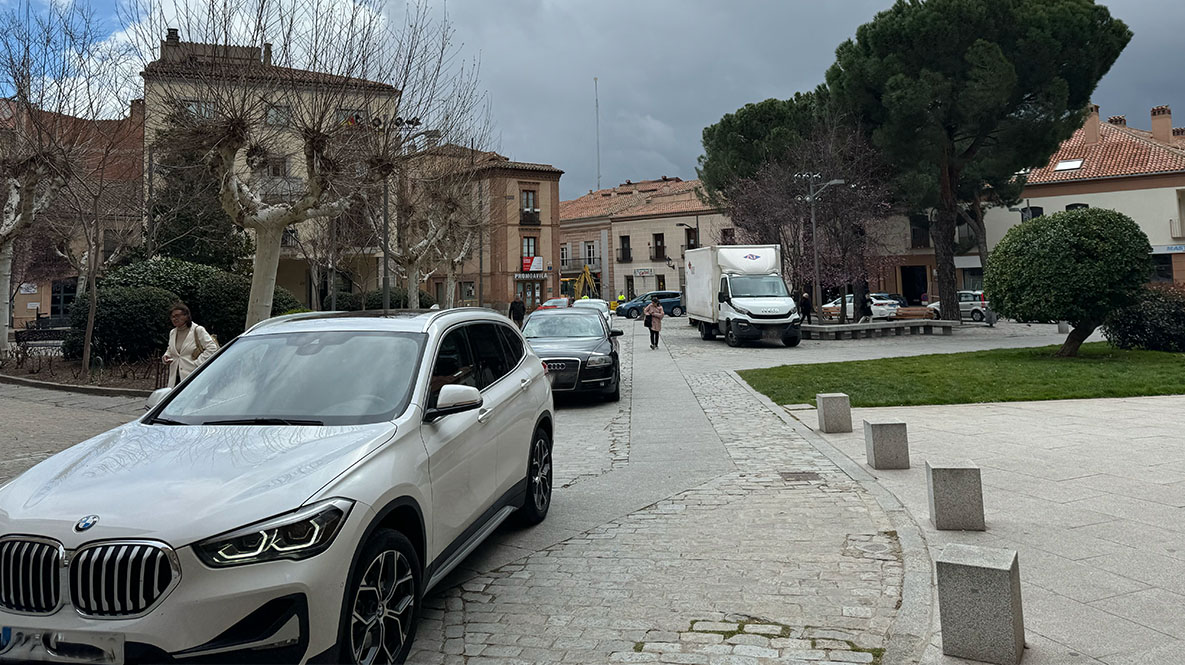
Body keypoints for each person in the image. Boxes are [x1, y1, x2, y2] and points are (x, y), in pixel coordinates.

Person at [162, 303, 218, 387]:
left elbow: (212, 348)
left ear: (186, 316)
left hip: (192, 376)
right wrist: (166, 356)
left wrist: (197, 363)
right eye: (172, 316)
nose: (174, 318)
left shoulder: (198, 330)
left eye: (177, 316)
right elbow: (170, 349)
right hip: (175, 378)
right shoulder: (172, 332)